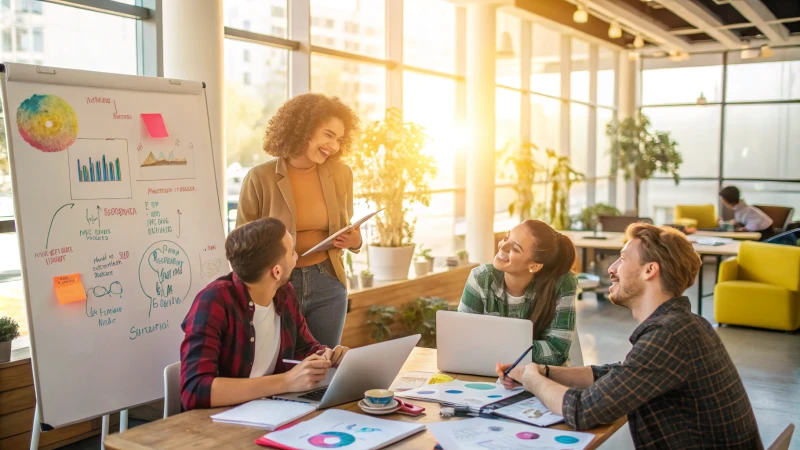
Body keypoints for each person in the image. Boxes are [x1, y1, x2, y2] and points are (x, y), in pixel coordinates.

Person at [497, 223, 762, 449]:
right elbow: (621, 374)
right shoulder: (686, 324)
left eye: (622, 259)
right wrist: (545, 371)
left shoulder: (669, 335)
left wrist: (532, 378)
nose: (611, 269)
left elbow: (582, 411)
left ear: (650, 270)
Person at [180, 218, 349, 410]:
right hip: (222, 421)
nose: (297, 256)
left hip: (273, 410)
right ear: (276, 272)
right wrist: (285, 382)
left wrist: (326, 356)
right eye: (292, 251)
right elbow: (194, 391)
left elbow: (304, 348)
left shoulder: (284, 294)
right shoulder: (213, 302)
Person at [236, 93, 362, 348]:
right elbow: (241, 243)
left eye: (339, 139)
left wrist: (356, 241)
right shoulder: (260, 177)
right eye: (328, 135)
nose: (334, 146)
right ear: (303, 129)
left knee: (323, 366)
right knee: (279, 365)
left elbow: (347, 226)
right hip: (277, 284)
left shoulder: (341, 174)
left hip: (327, 282)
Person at [458, 220, 578, 366]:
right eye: (506, 238)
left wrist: (490, 345)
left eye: (515, 248)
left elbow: (557, 352)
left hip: (543, 377)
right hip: (488, 371)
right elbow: (462, 339)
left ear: (534, 265)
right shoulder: (480, 277)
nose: (502, 246)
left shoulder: (562, 283)